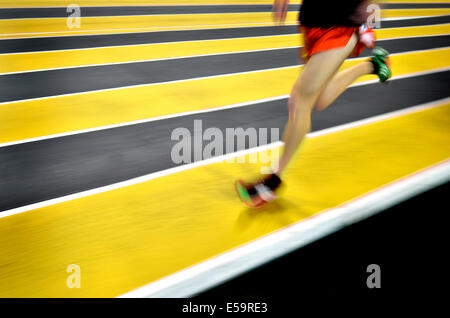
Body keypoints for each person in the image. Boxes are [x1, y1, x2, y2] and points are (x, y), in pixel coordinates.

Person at [235, 0, 392, 207]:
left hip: (341, 26)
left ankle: (272, 182)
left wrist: (371, 9)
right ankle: (372, 66)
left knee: (299, 101)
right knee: (317, 100)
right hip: (312, 21)